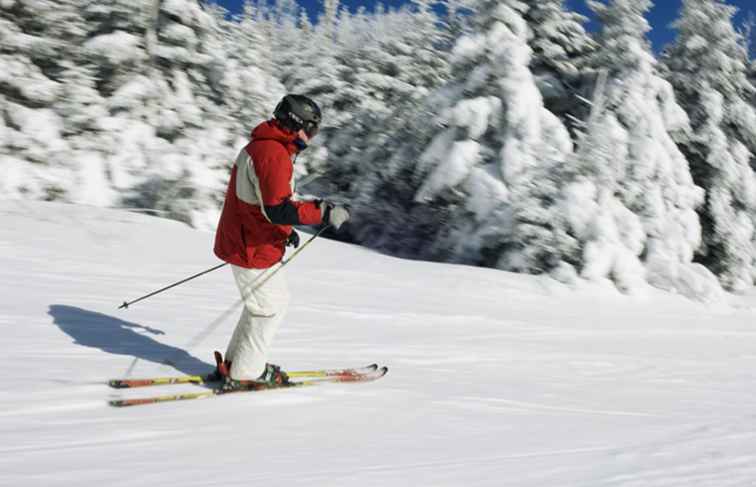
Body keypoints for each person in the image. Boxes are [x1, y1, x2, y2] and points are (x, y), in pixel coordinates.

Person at [212, 94, 349, 387]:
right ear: (296, 124)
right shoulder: (272, 154)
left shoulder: (263, 147)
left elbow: (263, 202)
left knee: (263, 306)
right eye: (311, 128)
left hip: (250, 239)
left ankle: (238, 363)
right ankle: (246, 372)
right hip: (252, 246)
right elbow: (277, 209)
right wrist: (322, 212)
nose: (311, 137)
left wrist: (285, 231)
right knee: (270, 307)